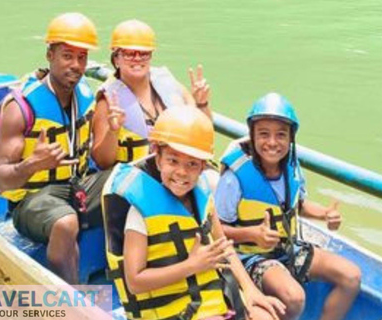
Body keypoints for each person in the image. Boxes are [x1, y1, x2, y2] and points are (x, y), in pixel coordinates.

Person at [102, 107, 286, 320]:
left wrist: (251, 291)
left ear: (202, 167)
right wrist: (192, 265)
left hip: (209, 304)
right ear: (158, 156)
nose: (182, 172)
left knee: (267, 316)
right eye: (173, 161)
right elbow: (134, 282)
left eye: (192, 164)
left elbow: (223, 245)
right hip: (170, 312)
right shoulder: (140, 212)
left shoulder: (203, 197)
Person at [215, 92, 361, 320]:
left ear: (291, 138)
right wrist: (251, 234)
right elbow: (217, 229)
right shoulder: (235, 176)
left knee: (351, 276)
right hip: (250, 256)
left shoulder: (291, 165)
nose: (272, 143)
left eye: (281, 135)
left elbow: (296, 205)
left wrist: (325, 214)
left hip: (289, 249)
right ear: (252, 135)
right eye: (264, 134)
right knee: (294, 297)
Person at [0, 12, 110, 284]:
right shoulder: (21, 108)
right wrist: (31, 164)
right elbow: (0, 179)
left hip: (77, 187)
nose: (76, 65)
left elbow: (100, 157)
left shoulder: (86, 96)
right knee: (65, 222)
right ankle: (73, 301)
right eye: (67, 56)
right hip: (32, 200)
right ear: (50, 55)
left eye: (82, 58)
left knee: (130, 180)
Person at [91, 19, 212, 169]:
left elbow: (202, 132)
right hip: (135, 176)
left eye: (143, 53)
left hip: (177, 170)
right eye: (129, 53)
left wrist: (202, 104)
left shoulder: (169, 83)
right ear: (116, 59)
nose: (137, 58)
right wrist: (113, 131)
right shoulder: (108, 100)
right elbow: (102, 161)